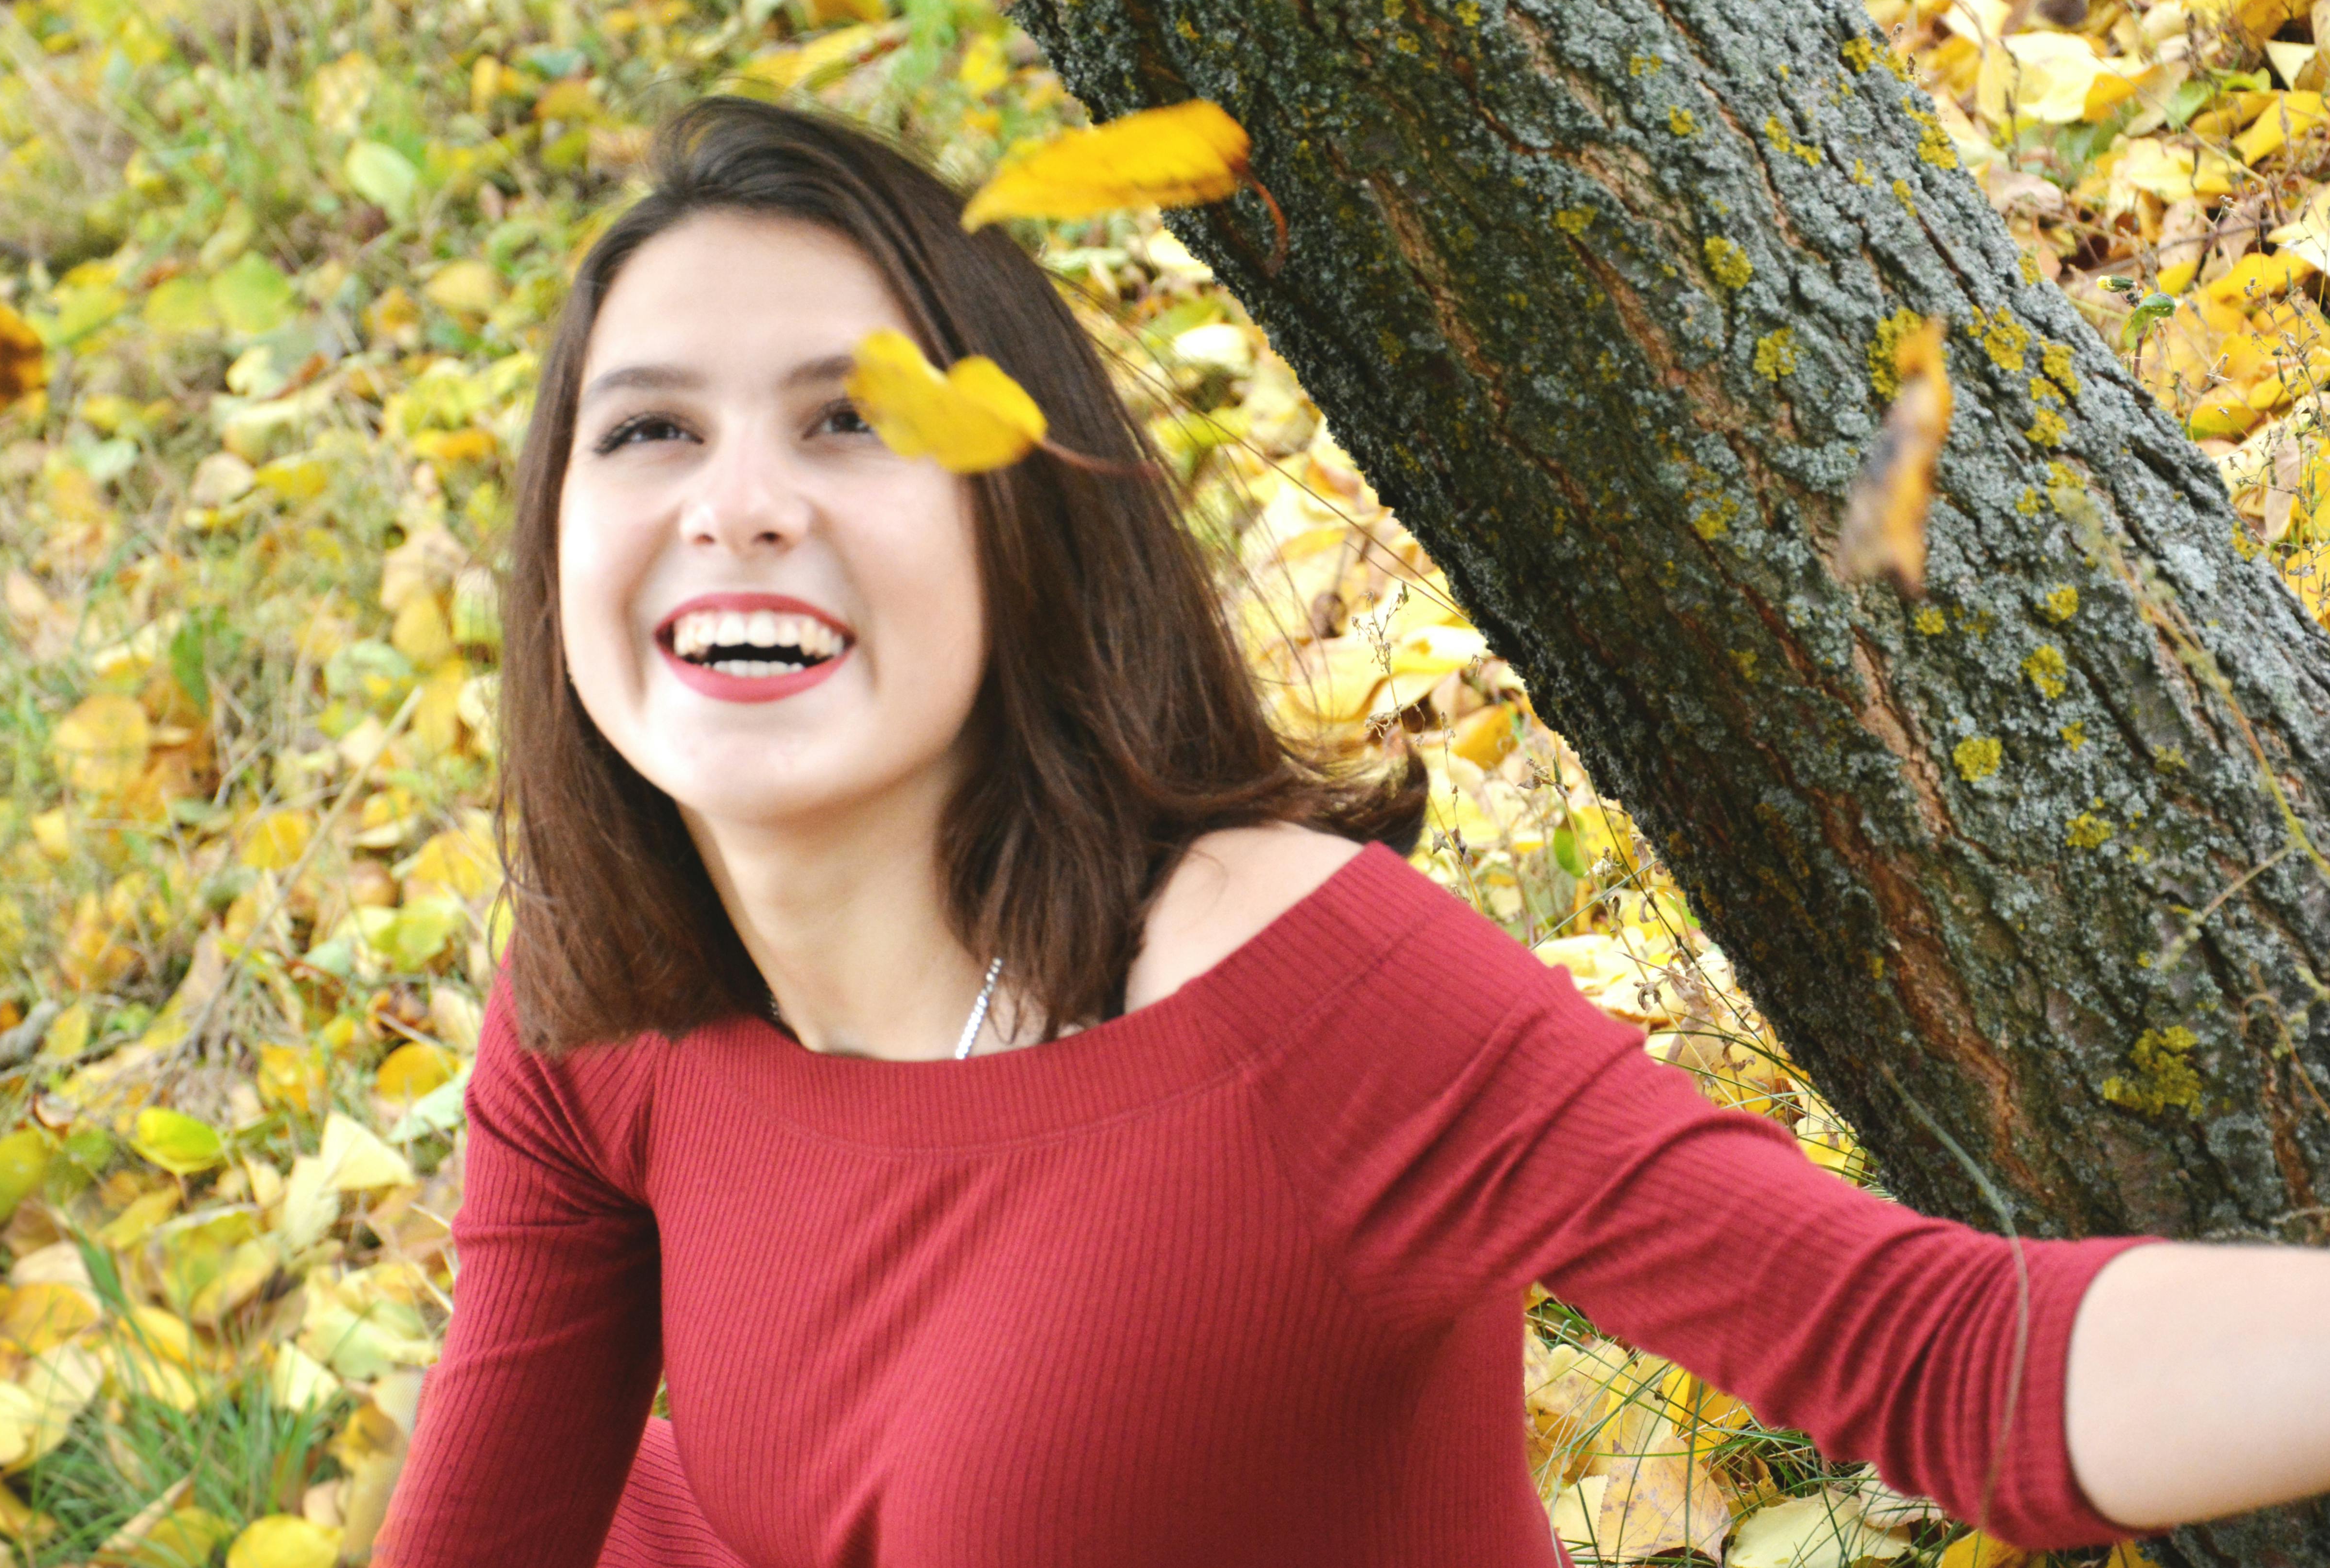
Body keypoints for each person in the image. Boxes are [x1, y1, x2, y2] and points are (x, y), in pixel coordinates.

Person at [373, 96, 2323, 1568]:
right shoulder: (597, 993)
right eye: (645, 431)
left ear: (1023, 522)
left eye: (851, 420)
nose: (733, 505)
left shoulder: (1294, 991)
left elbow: (1942, 1358)